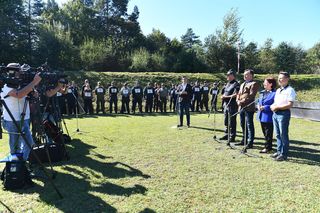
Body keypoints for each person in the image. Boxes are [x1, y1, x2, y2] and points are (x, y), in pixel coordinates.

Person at [1, 63, 42, 161]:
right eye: (19, 71)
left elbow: (32, 95)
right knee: (16, 146)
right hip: (12, 120)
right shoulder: (6, 84)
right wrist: (34, 82)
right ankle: (15, 166)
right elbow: (19, 94)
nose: (21, 73)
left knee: (29, 143)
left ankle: (22, 161)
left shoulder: (22, 83)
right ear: (12, 72)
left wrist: (34, 92)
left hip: (25, 118)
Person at [270, 71, 296, 161]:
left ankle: (284, 154)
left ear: (287, 79)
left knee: (283, 134)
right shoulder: (278, 90)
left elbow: (290, 105)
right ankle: (279, 151)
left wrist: (277, 107)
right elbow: (275, 102)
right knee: (277, 134)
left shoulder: (290, 90)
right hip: (275, 114)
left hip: (284, 114)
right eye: (279, 78)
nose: (279, 80)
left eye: (282, 78)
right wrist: (272, 106)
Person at [236, 69, 259, 149]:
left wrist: (241, 101)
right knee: (242, 124)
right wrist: (237, 101)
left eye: (247, 74)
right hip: (241, 107)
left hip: (249, 107)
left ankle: (250, 142)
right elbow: (238, 94)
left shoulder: (254, 83)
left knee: (249, 124)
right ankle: (244, 139)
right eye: (244, 74)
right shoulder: (242, 84)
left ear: (251, 75)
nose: (245, 76)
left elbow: (251, 95)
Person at [219, 70, 240, 142]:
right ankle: (227, 134)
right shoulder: (227, 84)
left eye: (228, 75)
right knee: (226, 120)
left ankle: (232, 136)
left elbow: (236, 94)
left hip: (232, 105)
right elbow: (223, 92)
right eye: (227, 75)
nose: (227, 76)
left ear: (233, 76)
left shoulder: (236, 84)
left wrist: (226, 97)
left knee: (232, 121)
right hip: (226, 104)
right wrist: (222, 96)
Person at [257, 77, 276, 153]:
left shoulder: (275, 93)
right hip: (261, 115)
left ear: (271, 84)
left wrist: (265, 107)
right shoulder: (262, 92)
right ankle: (268, 146)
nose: (264, 84)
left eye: (265, 82)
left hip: (269, 116)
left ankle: (268, 148)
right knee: (265, 133)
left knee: (268, 133)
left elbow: (275, 104)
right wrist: (258, 105)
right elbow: (258, 101)